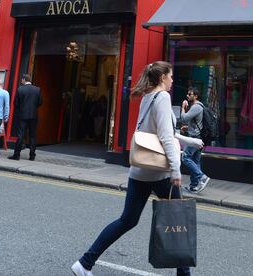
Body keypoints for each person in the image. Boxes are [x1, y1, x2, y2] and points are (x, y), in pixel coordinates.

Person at [72, 61, 192, 276]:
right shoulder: (162, 97)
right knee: (178, 221)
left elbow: (156, 133)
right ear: (162, 76)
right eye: (171, 76)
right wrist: (175, 171)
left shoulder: (148, 97)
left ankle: (84, 263)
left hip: (140, 171)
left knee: (127, 220)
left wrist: (191, 142)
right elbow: (164, 136)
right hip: (160, 173)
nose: (173, 80)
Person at [180, 87, 209, 193]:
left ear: (195, 96)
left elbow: (184, 118)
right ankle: (194, 185)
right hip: (199, 137)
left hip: (194, 138)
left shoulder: (196, 107)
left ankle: (202, 177)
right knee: (196, 161)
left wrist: (183, 108)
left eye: (190, 94)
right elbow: (198, 123)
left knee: (185, 157)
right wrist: (187, 128)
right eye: (187, 94)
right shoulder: (198, 106)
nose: (187, 96)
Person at [10, 74, 42, 161]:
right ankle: (32, 156)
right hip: (33, 116)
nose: (21, 81)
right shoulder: (37, 89)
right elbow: (40, 102)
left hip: (22, 115)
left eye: (22, 79)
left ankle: (17, 155)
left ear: (24, 79)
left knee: (20, 135)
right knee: (32, 135)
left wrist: (20, 110)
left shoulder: (20, 89)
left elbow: (15, 103)